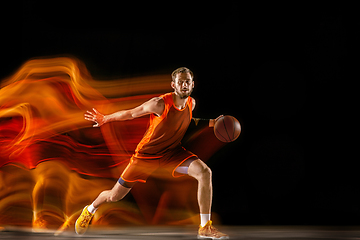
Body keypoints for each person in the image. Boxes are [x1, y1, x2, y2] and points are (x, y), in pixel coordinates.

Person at [76, 67, 229, 239]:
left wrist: (212, 123)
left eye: (187, 82)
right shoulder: (159, 103)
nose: (184, 85)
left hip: (171, 153)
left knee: (204, 172)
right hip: (146, 157)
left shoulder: (191, 103)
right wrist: (105, 119)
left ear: (192, 84)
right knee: (114, 196)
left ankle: (205, 227)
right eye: (181, 82)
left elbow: (187, 120)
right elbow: (131, 113)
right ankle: (90, 209)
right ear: (174, 85)